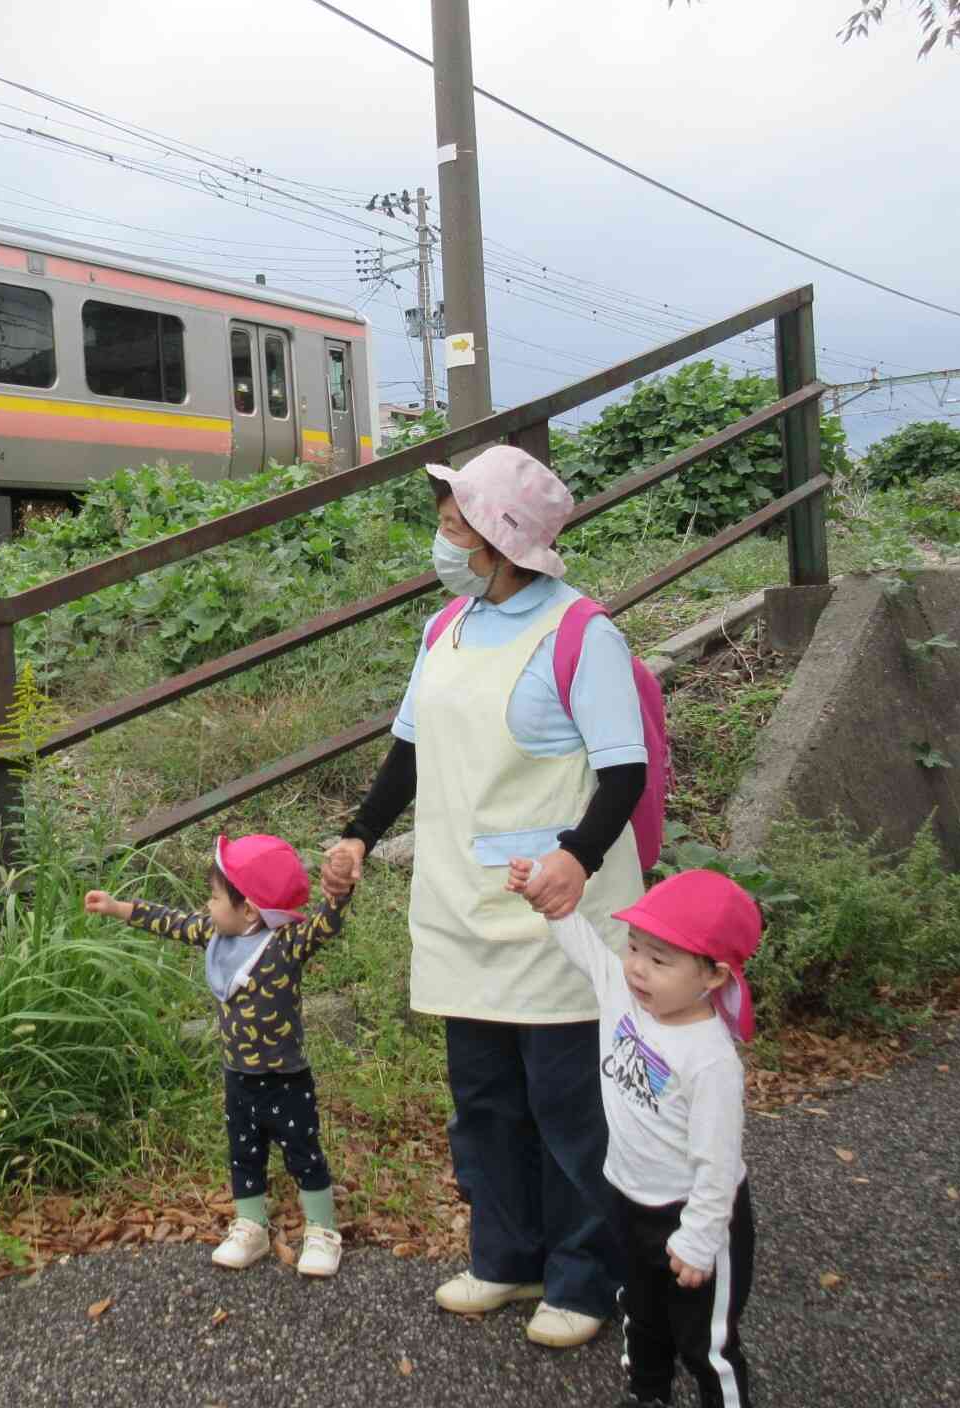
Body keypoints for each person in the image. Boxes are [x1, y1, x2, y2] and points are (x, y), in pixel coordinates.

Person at [322, 445, 648, 1347]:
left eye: (456, 523)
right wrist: (359, 832)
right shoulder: (446, 630)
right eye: (445, 521)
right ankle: (507, 1258)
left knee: (569, 1105)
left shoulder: (583, 634)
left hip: (556, 913)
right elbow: (411, 753)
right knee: (484, 1099)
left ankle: (587, 1277)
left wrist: (578, 856)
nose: (442, 538)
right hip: (463, 907)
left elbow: (625, 770)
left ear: (504, 541)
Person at [509, 862, 760, 1408]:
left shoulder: (710, 1059)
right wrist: (543, 897)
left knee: (704, 1342)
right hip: (627, 1198)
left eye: (660, 960)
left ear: (713, 976)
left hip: (694, 1216)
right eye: (635, 948)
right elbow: (585, 947)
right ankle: (647, 1396)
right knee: (642, 1319)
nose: (637, 969)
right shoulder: (625, 998)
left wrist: (698, 1239)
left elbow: (717, 1165)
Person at [84, 832, 353, 1277]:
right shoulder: (217, 936)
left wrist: (339, 894)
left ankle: (322, 1231)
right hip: (239, 1075)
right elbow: (170, 921)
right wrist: (118, 907)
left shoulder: (285, 945)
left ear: (249, 909)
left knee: (303, 1152)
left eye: (214, 896)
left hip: (286, 1077)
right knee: (243, 1152)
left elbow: (325, 924)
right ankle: (251, 1225)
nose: (207, 906)